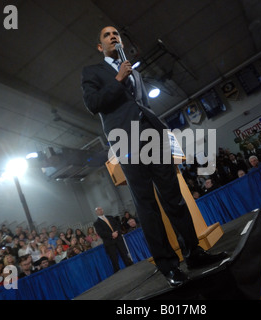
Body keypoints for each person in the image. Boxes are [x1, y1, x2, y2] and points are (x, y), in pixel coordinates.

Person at [82, 26, 227, 287]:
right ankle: (168, 265)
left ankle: (195, 253)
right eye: (107, 35)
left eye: (117, 33)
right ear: (99, 46)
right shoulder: (93, 72)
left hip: (152, 135)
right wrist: (117, 79)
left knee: (174, 197)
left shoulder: (134, 71)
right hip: (125, 138)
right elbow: (93, 104)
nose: (114, 36)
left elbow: (142, 106)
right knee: (147, 206)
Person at [93, 207, 133, 273]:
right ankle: (118, 271)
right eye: (98, 210)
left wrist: (116, 232)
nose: (100, 210)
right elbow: (101, 233)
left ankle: (130, 265)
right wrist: (112, 234)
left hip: (118, 238)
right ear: (96, 212)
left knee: (124, 253)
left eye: (101, 209)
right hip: (109, 242)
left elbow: (117, 225)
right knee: (114, 257)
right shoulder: (97, 223)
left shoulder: (110, 217)